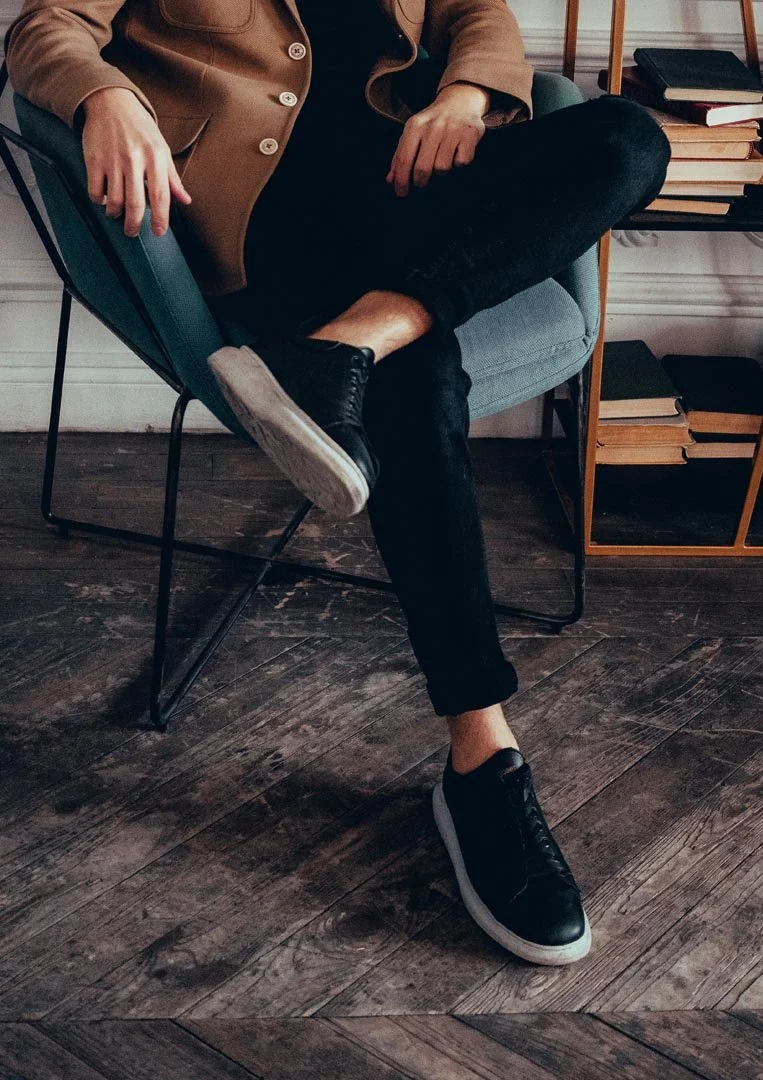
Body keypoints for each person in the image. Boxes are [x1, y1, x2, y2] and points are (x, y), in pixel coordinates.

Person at [5, 0, 670, 965]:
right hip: (266, 218)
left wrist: (468, 93)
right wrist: (105, 93)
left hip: (411, 181)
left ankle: (346, 347)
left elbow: (476, 9)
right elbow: (43, 25)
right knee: (422, 378)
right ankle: (483, 757)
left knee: (627, 141)